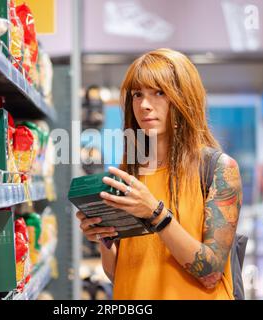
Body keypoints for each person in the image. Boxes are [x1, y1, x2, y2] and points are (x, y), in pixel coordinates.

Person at [76, 48, 242, 300]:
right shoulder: (129, 175)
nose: (144, 105)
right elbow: (120, 274)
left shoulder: (218, 168)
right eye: (137, 94)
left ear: (184, 97)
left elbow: (210, 272)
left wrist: (155, 214)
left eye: (159, 93)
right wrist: (104, 237)